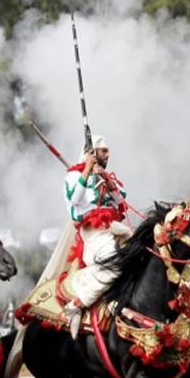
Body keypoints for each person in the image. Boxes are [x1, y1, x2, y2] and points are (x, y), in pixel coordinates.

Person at [61, 135, 131, 337]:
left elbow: (121, 203)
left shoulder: (106, 175)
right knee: (116, 263)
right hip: (93, 232)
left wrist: (107, 180)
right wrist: (87, 169)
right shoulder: (73, 176)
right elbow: (75, 200)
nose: (108, 155)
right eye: (104, 151)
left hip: (115, 228)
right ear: (92, 153)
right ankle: (76, 304)